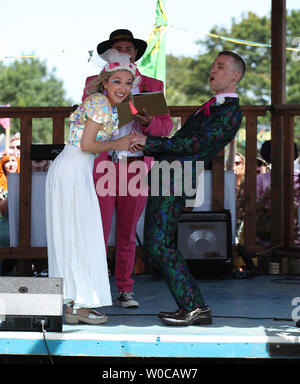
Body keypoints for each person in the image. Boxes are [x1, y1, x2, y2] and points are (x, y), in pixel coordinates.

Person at [130, 51, 246, 326]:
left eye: (220, 66)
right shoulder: (213, 105)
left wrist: (149, 143)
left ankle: (195, 307)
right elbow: (185, 139)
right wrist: (151, 132)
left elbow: (195, 146)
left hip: (177, 177)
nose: (212, 69)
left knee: (159, 245)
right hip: (167, 173)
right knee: (155, 245)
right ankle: (192, 306)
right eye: (213, 65)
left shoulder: (230, 112)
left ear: (235, 76)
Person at [46, 49, 138, 325]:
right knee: (81, 236)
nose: (122, 88)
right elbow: (87, 145)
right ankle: (78, 305)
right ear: (105, 82)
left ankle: (74, 305)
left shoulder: (104, 105)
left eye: (128, 83)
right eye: (117, 82)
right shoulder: (98, 103)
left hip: (75, 169)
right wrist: (118, 144)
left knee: (75, 236)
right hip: (74, 168)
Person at [82, 29, 173, 308]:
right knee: (95, 228)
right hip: (104, 162)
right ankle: (92, 287)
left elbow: (165, 127)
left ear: (135, 54)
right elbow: (86, 119)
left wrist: (147, 121)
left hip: (135, 166)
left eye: (129, 48)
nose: (124, 52)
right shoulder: (93, 83)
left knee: (127, 229)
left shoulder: (151, 84)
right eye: (118, 48)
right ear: (109, 54)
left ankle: (124, 288)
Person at [256, 140, 300, 247]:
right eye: (277, 154)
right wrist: (267, 194)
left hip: (296, 240)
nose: (282, 158)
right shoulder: (260, 179)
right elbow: (252, 208)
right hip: (266, 240)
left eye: (287, 154)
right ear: (269, 157)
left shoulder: (298, 178)